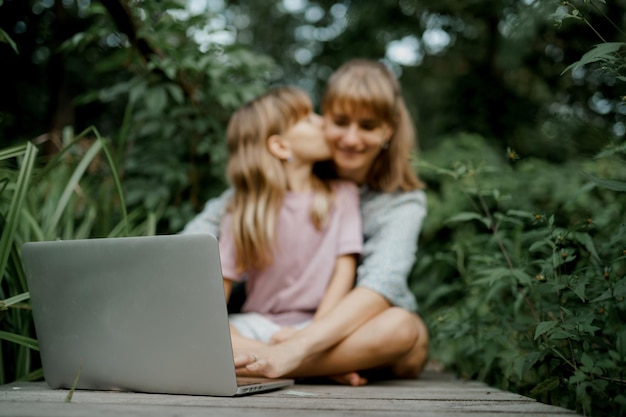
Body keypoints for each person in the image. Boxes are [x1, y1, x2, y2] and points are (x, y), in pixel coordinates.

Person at [183, 59, 429, 386]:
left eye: (367, 126)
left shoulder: (391, 201)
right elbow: (195, 243)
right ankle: (311, 366)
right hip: (268, 328)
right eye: (339, 121)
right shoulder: (260, 193)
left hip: (339, 328)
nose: (351, 139)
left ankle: (264, 364)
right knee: (201, 330)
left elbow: (380, 282)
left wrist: (301, 346)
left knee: (407, 334)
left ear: (388, 130)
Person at [217, 86, 362, 347]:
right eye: (309, 119)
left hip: (321, 324)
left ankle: (268, 361)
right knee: (221, 333)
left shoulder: (343, 195)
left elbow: (345, 269)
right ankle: (298, 363)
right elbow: (219, 285)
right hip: (259, 325)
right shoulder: (244, 210)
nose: (323, 122)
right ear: (281, 146)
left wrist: (313, 335)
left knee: (396, 326)